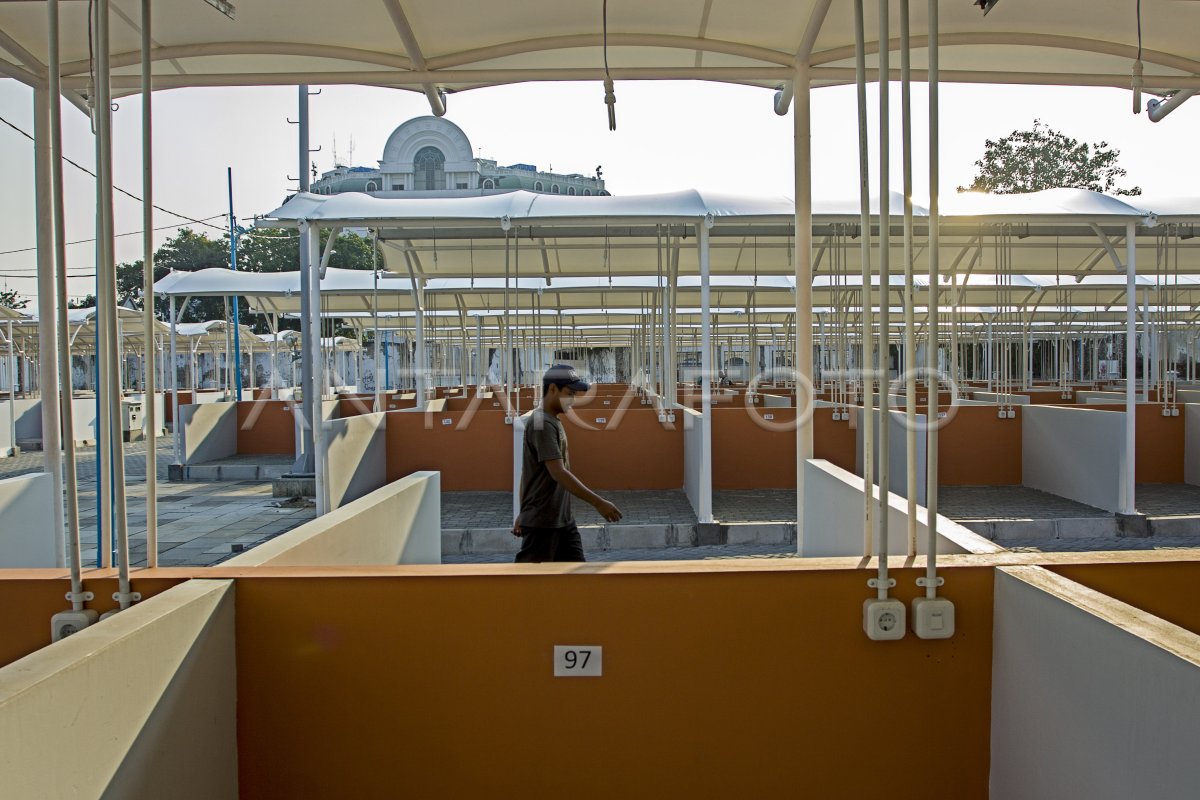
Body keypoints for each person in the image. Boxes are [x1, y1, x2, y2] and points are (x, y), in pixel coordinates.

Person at [512, 365, 623, 562]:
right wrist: (598, 503)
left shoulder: (551, 421)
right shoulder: (542, 423)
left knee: (576, 581)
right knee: (530, 585)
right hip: (542, 523)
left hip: (561, 521)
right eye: (569, 394)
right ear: (553, 389)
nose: (572, 401)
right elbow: (558, 473)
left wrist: (522, 512)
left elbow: (526, 473)